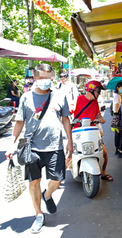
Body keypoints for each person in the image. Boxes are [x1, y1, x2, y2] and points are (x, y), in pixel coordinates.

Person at [5, 63, 73, 234]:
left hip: (55, 146)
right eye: (41, 77)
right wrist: (12, 145)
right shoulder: (26, 97)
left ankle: (47, 195)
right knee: (34, 182)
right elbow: (20, 122)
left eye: (48, 78)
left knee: (57, 180)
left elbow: (65, 119)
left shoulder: (59, 95)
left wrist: (70, 142)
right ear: (35, 77)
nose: (45, 81)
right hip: (32, 147)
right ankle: (38, 214)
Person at [73, 80, 113, 182]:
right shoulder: (79, 99)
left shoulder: (95, 102)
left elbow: (98, 114)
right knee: (72, 152)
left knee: (104, 152)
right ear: (91, 90)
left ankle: (103, 171)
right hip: (79, 130)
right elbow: (71, 110)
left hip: (92, 130)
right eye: (98, 91)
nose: (99, 94)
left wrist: (101, 119)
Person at [112, 82, 122, 157]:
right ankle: (118, 149)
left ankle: (118, 149)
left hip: (117, 115)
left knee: (118, 133)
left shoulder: (119, 96)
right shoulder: (117, 96)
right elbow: (117, 106)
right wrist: (117, 115)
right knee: (119, 133)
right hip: (118, 115)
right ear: (117, 88)